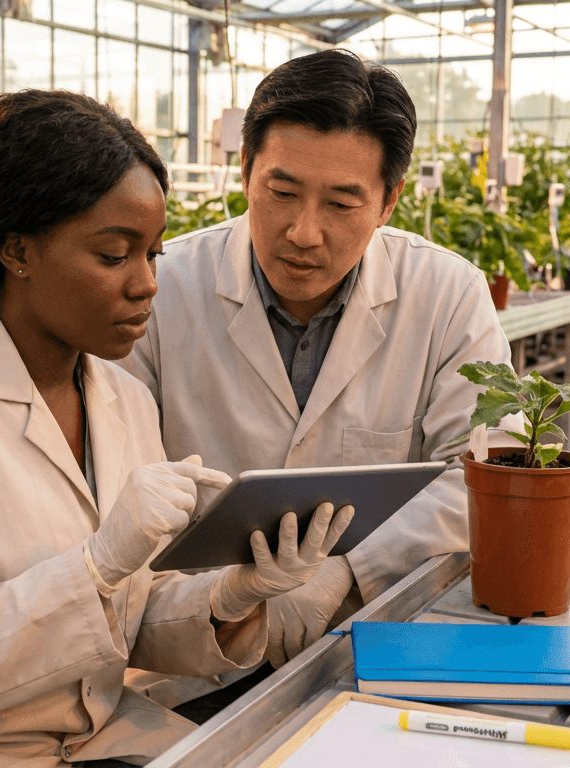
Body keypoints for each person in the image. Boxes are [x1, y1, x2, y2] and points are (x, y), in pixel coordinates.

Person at [0, 90, 353, 768]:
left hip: (86, 732)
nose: (147, 284)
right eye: (115, 255)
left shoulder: (122, 398)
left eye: (153, 253)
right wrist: (96, 566)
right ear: (17, 250)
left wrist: (230, 597)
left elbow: (127, 621)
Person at [120, 49, 519, 681]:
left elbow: (485, 474)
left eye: (341, 204)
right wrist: (235, 593)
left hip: (369, 637)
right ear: (246, 171)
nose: (304, 232)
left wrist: (347, 569)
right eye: (281, 192)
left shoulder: (447, 295)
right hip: (188, 651)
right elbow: (115, 476)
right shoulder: (162, 289)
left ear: (389, 202)